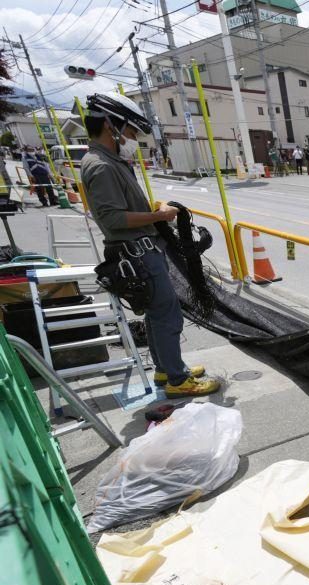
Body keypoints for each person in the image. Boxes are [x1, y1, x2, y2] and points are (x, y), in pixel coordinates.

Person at [81, 92, 219, 399]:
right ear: (108, 124)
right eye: (130, 131)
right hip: (137, 254)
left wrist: (152, 211)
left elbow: (121, 209)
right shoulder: (102, 166)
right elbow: (113, 217)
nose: (132, 138)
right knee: (168, 315)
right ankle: (178, 379)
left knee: (157, 315)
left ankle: (165, 369)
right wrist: (159, 215)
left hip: (140, 251)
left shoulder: (110, 162)